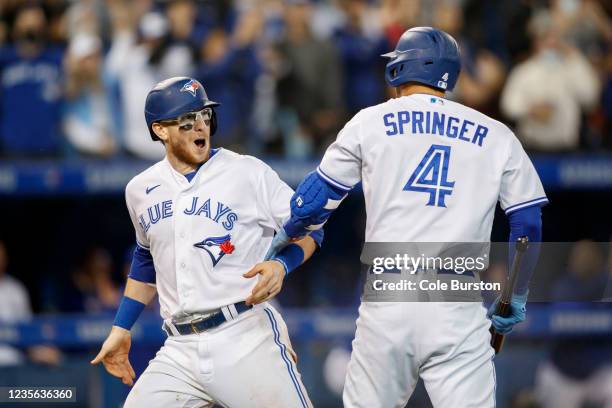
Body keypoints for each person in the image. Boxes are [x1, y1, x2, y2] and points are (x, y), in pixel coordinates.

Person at [267, 27, 548, 407]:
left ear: (399, 69)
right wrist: (514, 296)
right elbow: (527, 224)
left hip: (389, 296)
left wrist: (287, 234)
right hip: (458, 301)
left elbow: (314, 201)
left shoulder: (370, 121)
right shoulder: (497, 135)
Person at [91, 77, 320, 408]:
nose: (200, 125)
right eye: (187, 120)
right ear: (160, 130)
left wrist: (282, 264)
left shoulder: (247, 172)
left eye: (204, 115)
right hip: (179, 349)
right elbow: (146, 260)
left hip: (244, 335)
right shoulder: (140, 189)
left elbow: (312, 229)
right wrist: (121, 328)